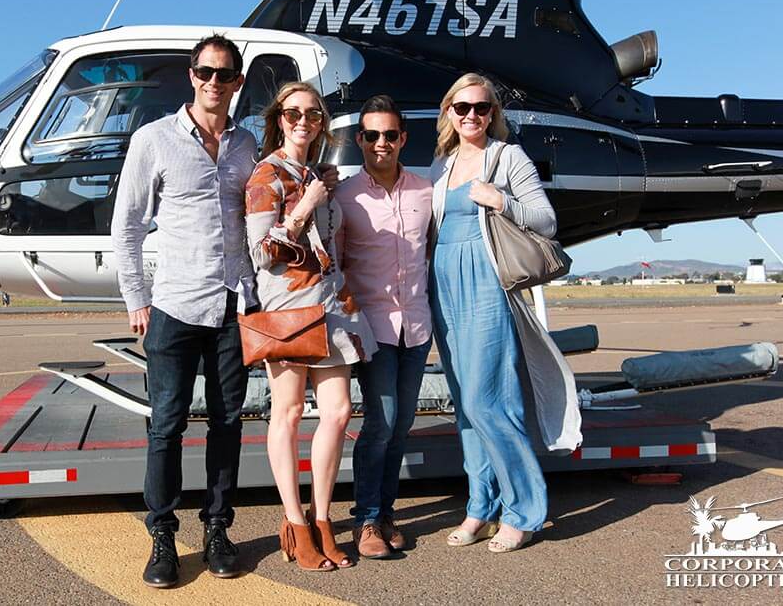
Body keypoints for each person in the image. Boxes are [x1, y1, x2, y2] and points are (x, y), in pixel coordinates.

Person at [111, 34, 254, 588]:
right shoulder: (154, 141)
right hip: (172, 304)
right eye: (204, 72)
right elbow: (126, 226)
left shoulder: (246, 147)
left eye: (224, 74)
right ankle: (163, 536)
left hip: (230, 305)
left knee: (226, 422)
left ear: (237, 81)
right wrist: (135, 299)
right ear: (191, 76)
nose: (213, 82)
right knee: (166, 426)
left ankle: (218, 527)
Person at [429, 73, 581, 553]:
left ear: (493, 113)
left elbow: (547, 220)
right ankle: (481, 506)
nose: (472, 115)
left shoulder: (506, 156)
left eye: (482, 107)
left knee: (488, 399)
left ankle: (525, 510)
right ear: (448, 112)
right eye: (462, 107)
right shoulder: (444, 164)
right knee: (465, 407)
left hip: (486, 281)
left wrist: (501, 200)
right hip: (443, 283)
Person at [245, 81, 377, 572]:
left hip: (333, 305)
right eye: (294, 113)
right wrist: (302, 207)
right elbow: (261, 253)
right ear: (279, 118)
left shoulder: (317, 175)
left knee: (339, 412)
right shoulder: (267, 176)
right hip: (289, 307)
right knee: (291, 411)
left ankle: (323, 519)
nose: (304, 121)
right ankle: (296, 525)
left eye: (314, 115)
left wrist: (320, 192)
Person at [334, 95, 433, 559]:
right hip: (372, 328)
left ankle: (387, 514)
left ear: (403, 139)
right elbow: (333, 261)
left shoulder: (425, 192)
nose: (381, 143)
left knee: (402, 425)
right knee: (382, 421)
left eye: (390, 135)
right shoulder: (345, 196)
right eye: (371, 135)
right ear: (359, 140)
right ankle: (367, 519)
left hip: (416, 325)